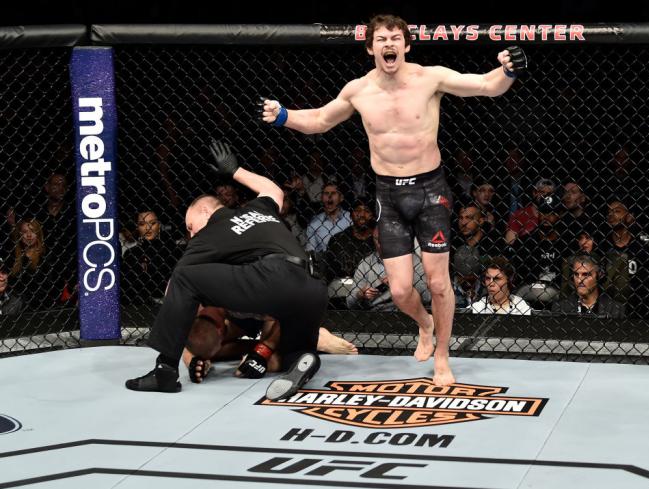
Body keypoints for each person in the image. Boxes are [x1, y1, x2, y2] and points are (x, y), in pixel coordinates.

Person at [261, 14, 526, 385]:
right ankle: (424, 323)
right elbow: (321, 119)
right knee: (401, 290)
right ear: (371, 48)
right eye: (382, 38)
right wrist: (283, 116)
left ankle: (443, 357)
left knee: (437, 284)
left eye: (396, 37)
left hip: (431, 191)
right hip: (389, 193)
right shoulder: (358, 90)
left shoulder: (429, 77)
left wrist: (509, 71)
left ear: (406, 45)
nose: (390, 44)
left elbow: (484, 85)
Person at [126, 140, 328, 401]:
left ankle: (165, 371)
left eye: (190, 226)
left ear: (204, 211)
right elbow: (274, 191)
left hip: (273, 278)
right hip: (313, 288)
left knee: (184, 278)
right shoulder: (256, 208)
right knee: (296, 352)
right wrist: (235, 171)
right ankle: (305, 360)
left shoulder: (209, 233)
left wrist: (184, 316)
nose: (190, 233)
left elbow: (175, 284)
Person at [184, 306, 358, 383]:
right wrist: (194, 360)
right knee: (211, 348)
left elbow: (283, 308)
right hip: (236, 314)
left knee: (272, 362)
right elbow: (192, 336)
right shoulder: (193, 275)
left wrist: (262, 352)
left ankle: (314, 338)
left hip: (274, 312)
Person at [552, 253, 625, 318]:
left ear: (599, 275)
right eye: (576, 274)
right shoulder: (560, 308)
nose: (579, 280)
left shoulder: (615, 309)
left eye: (586, 274)